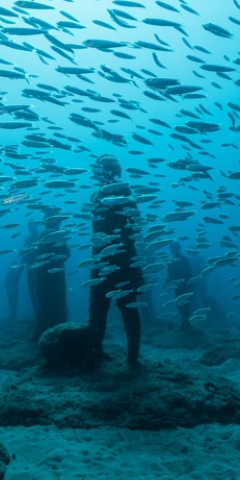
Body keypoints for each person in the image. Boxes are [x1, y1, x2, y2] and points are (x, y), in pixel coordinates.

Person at [88, 154, 143, 366]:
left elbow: (134, 225)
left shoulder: (118, 193)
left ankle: (127, 357)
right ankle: (123, 356)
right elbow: (135, 227)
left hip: (114, 257)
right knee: (116, 308)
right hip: (113, 257)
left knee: (106, 308)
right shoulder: (99, 195)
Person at [30, 208, 70, 343]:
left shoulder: (58, 234)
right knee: (51, 302)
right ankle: (50, 333)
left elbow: (65, 253)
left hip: (51, 275)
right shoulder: (46, 234)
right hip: (48, 275)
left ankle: (53, 332)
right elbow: (39, 253)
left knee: (51, 302)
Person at [6, 221, 41, 320]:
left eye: (33, 225)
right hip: (30, 270)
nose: (31, 228)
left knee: (40, 292)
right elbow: (24, 257)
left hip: (40, 270)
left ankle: (39, 315)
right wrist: (19, 273)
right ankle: (36, 315)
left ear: (36, 226)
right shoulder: (27, 240)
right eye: (30, 226)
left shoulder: (41, 237)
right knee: (32, 292)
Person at [165, 242, 194, 331]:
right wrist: (168, 283)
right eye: (171, 249)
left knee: (186, 303)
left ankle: (185, 321)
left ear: (178, 249)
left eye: (174, 249)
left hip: (185, 284)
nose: (173, 251)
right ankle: (185, 321)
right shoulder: (171, 261)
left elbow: (189, 272)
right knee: (178, 303)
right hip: (177, 286)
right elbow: (169, 274)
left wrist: (191, 284)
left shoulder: (185, 259)